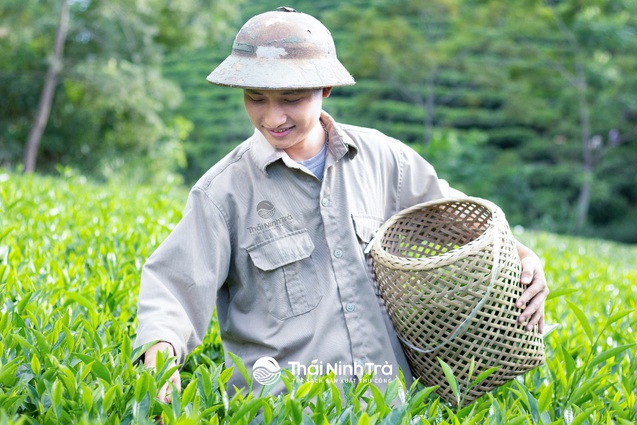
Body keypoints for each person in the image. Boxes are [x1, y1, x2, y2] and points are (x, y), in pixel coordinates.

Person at [134, 7, 549, 403]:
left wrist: (521, 256)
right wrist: (161, 356)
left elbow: (460, 220)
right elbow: (173, 287)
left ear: (325, 88)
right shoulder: (223, 192)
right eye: (256, 98)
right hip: (283, 411)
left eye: (291, 98)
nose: (272, 117)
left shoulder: (385, 160)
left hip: (387, 408)